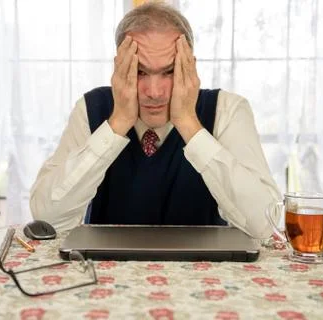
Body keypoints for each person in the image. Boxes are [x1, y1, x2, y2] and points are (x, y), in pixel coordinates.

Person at [30, 2, 280, 239]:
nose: (154, 92)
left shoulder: (228, 110)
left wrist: (188, 123)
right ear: (119, 68)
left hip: (205, 273)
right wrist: (117, 122)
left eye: (169, 71)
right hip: (107, 271)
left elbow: (265, 225)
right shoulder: (92, 108)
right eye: (139, 71)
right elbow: (48, 218)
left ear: (190, 66)